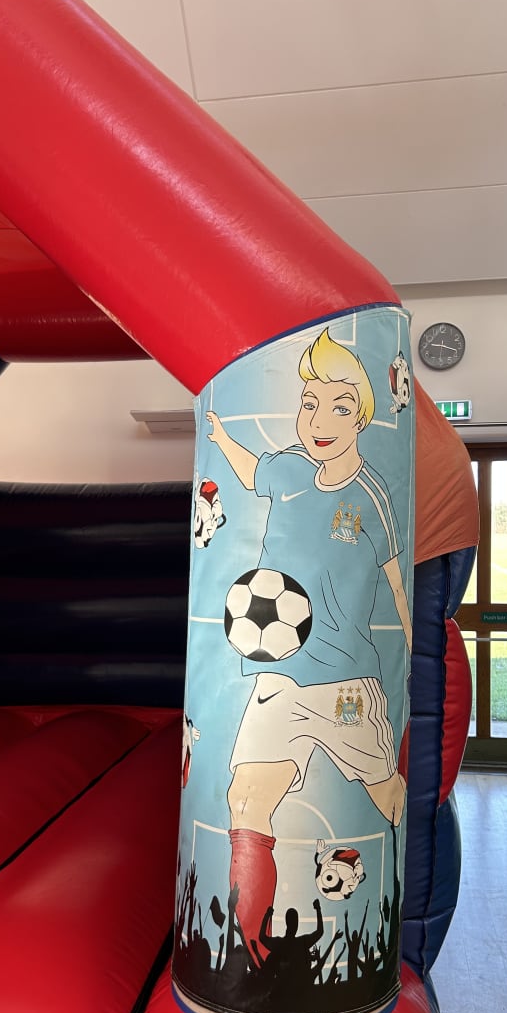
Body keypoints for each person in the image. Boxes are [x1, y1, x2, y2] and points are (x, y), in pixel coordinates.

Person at [205, 327, 411, 958]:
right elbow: (253, 472)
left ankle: (391, 912)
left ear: (362, 418)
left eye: (339, 408)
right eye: (309, 404)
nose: (319, 421)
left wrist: (413, 655)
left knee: (382, 791)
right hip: (278, 680)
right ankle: (249, 947)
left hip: (347, 686)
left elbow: (396, 583)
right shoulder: (290, 468)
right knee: (245, 796)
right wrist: (219, 436)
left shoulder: (372, 494)